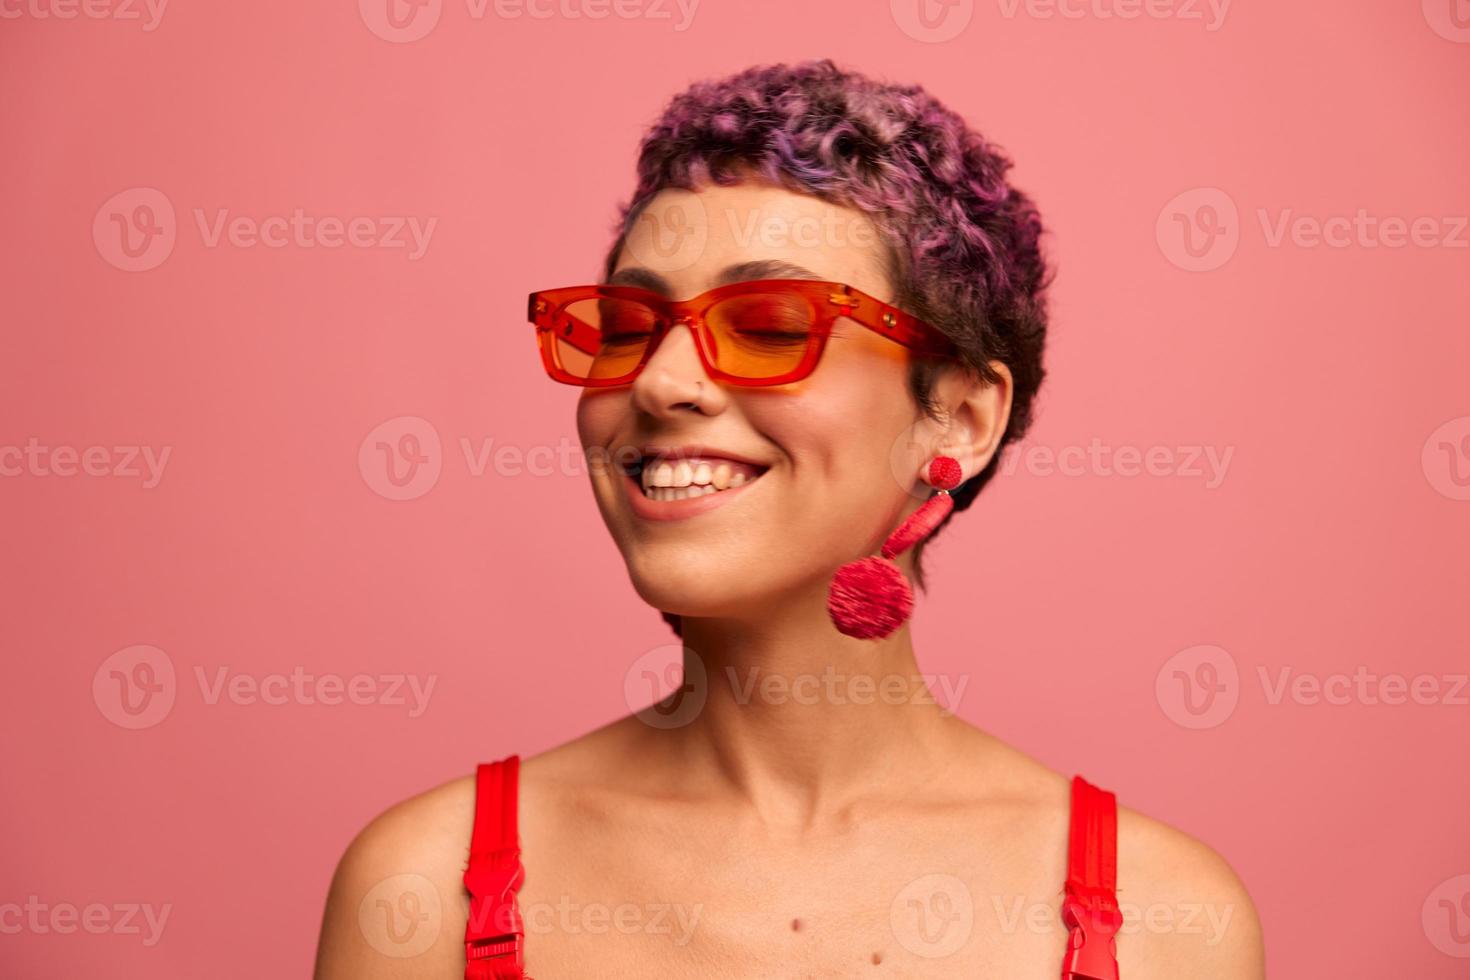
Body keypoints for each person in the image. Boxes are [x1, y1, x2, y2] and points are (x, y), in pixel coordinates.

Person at [314, 59, 1264, 979]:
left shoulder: (1159, 918)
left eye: (769, 325)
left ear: (963, 416)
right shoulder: (425, 889)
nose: (659, 383)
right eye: (627, 328)